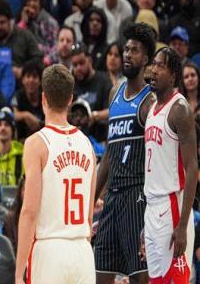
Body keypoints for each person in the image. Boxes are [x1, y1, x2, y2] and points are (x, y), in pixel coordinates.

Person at [15, 64, 96, 284]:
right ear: (70, 99)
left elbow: (29, 212)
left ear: (43, 98)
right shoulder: (87, 145)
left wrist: (19, 272)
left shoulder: (36, 143)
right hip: (82, 251)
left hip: (49, 250)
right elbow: (89, 216)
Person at [93, 23, 156, 284]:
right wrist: (92, 199)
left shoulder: (150, 101)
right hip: (112, 197)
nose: (128, 54)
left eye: (135, 50)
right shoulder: (114, 93)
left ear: (147, 59)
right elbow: (109, 153)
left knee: (140, 277)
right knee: (100, 273)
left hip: (136, 195)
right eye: (126, 49)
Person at [143, 47, 198, 283]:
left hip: (172, 204)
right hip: (151, 206)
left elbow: (192, 168)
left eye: (161, 66)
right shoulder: (151, 110)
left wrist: (182, 225)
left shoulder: (180, 110)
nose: (154, 70)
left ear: (173, 75)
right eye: (153, 64)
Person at [0, 0, 42, 79]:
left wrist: (23, 70)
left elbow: (38, 59)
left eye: (2, 22)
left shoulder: (25, 36)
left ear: (10, 21)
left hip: (21, 82)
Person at [71, 43, 112, 141]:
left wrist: (94, 116)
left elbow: (112, 111)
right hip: (76, 141)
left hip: (99, 141)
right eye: (75, 65)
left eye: (81, 63)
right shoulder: (71, 84)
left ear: (90, 60)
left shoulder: (103, 80)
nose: (78, 68)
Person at [11, 60, 45, 142]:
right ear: (23, 80)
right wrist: (26, 115)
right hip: (22, 142)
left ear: (40, 81)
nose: (31, 80)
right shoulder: (18, 96)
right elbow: (13, 115)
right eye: (28, 76)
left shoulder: (45, 98)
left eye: (34, 77)